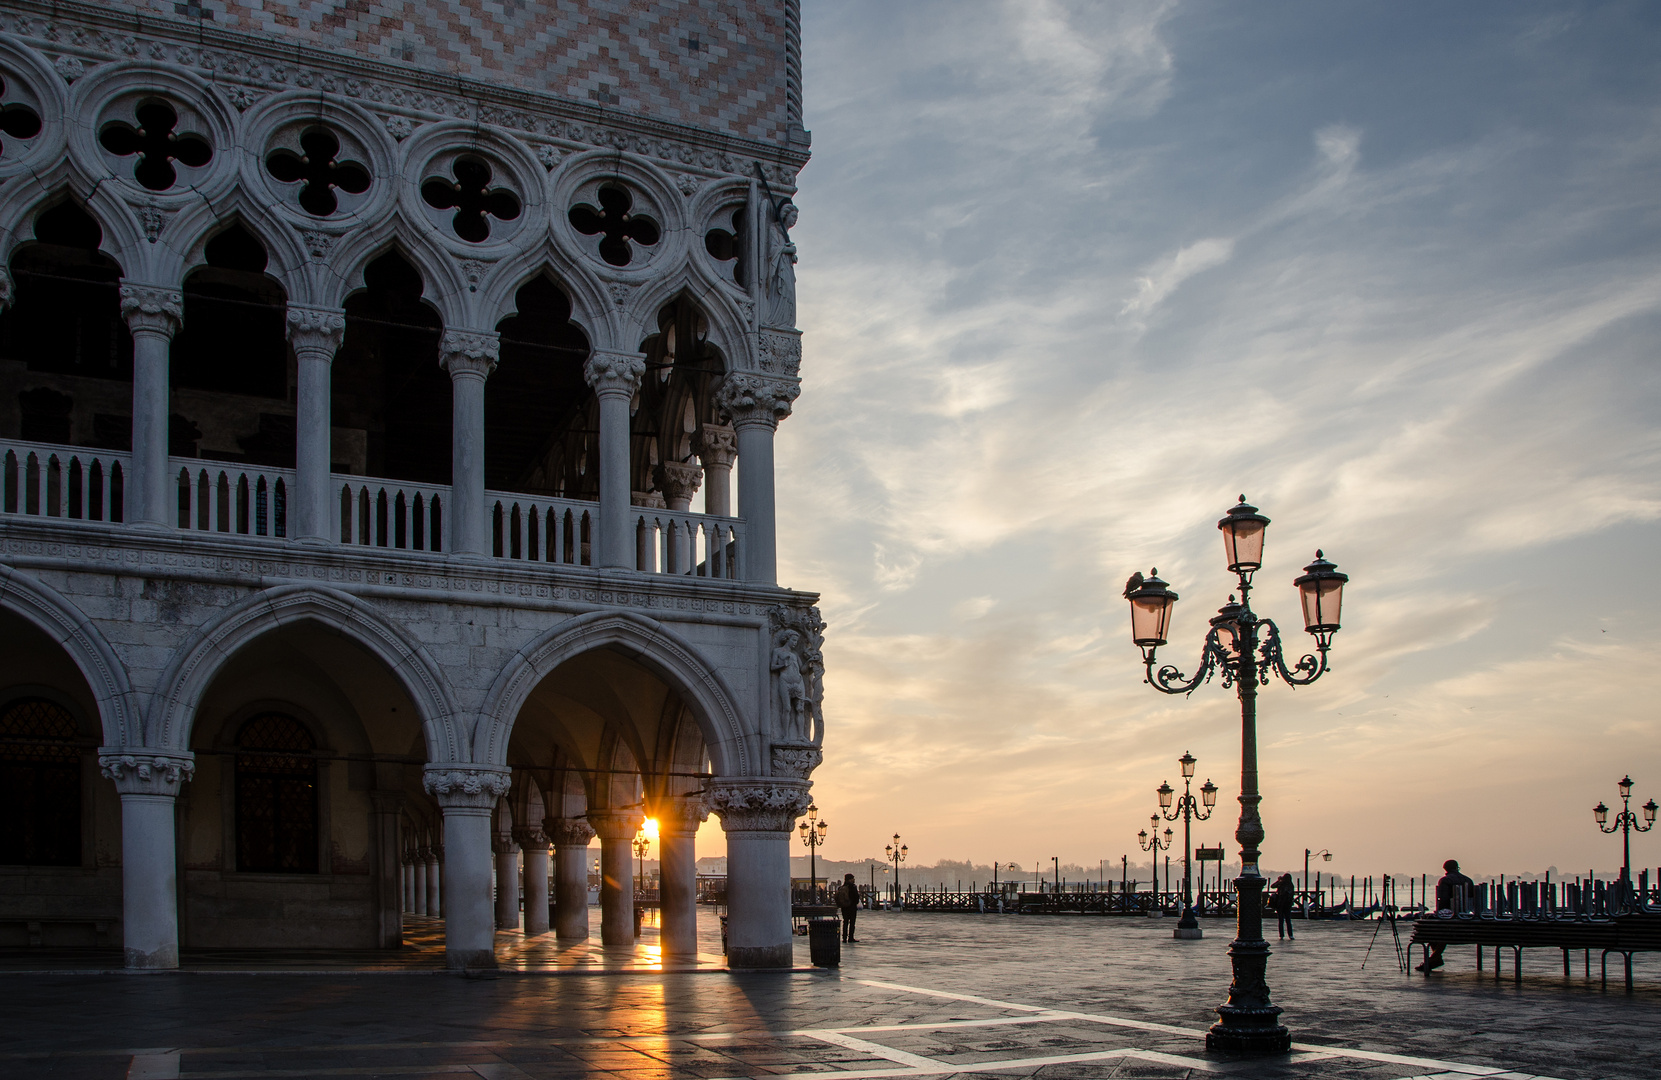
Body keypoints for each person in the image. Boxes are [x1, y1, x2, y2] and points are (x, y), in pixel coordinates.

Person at [1418, 859, 1476, 972]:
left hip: (1451, 922)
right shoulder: (1468, 880)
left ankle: (1435, 958)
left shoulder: (1445, 881)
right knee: (1441, 932)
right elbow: (1473, 900)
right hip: (1467, 919)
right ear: (1457, 867)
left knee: (1432, 929)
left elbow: (1443, 901)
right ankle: (1435, 958)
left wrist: (1439, 913)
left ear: (1445, 869)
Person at [834, 873, 860, 943]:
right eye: (853, 878)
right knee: (852, 923)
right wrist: (855, 902)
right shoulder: (853, 887)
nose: (854, 880)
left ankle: (844, 937)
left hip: (844, 907)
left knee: (845, 922)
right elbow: (856, 897)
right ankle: (851, 937)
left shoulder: (842, 887)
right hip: (852, 907)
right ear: (850, 879)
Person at [1270, 873, 1296, 940]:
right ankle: (1290, 935)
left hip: (1280, 904)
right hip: (1287, 905)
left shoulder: (1281, 884)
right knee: (1288, 920)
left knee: (1281, 920)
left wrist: (1278, 881)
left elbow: (1272, 886)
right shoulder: (1291, 885)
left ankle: (1281, 935)